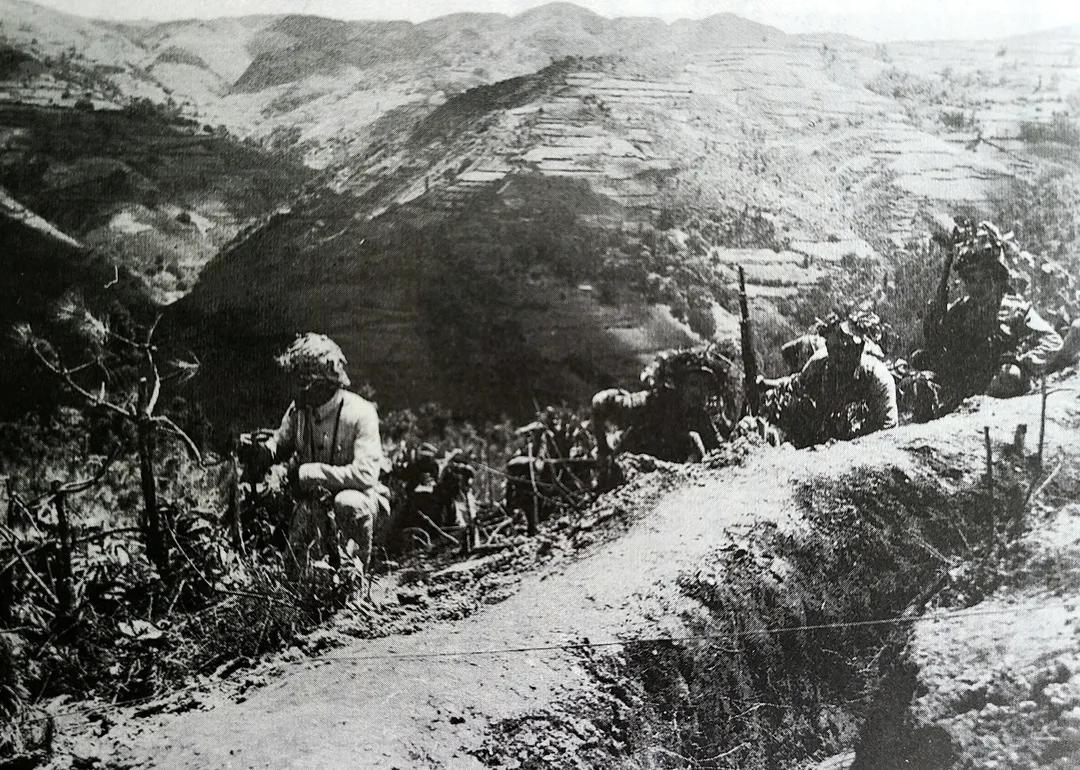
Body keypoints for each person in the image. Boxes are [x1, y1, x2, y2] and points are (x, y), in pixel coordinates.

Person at [243, 333, 389, 571]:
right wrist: (261, 451)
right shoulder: (299, 410)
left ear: (320, 382)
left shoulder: (361, 413)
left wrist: (310, 473)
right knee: (294, 571)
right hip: (313, 503)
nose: (294, 388)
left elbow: (366, 475)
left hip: (359, 499)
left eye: (300, 381)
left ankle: (357, 574)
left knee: (348, 503)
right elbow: (280, 443)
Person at [907, 221, 1063, 419]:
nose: (977, 287)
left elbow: (1053, 341)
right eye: (971, 280)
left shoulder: (1015, 308)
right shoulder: (962, 308)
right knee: (921, 369)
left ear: (995, 279)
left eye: (983, 280)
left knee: (1010, 376)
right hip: (969, 377)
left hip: (999, 383)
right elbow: (938, 338)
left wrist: (1022, 361)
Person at [760, 311, 898, 447]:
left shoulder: (878, 378)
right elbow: (795, 385)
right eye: (833, 349)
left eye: (846, 349)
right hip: (828, 437)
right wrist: (765, 384)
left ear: (859, 350)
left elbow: (889, 431)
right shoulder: (821, 362)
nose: (838, 357)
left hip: (863, 447)